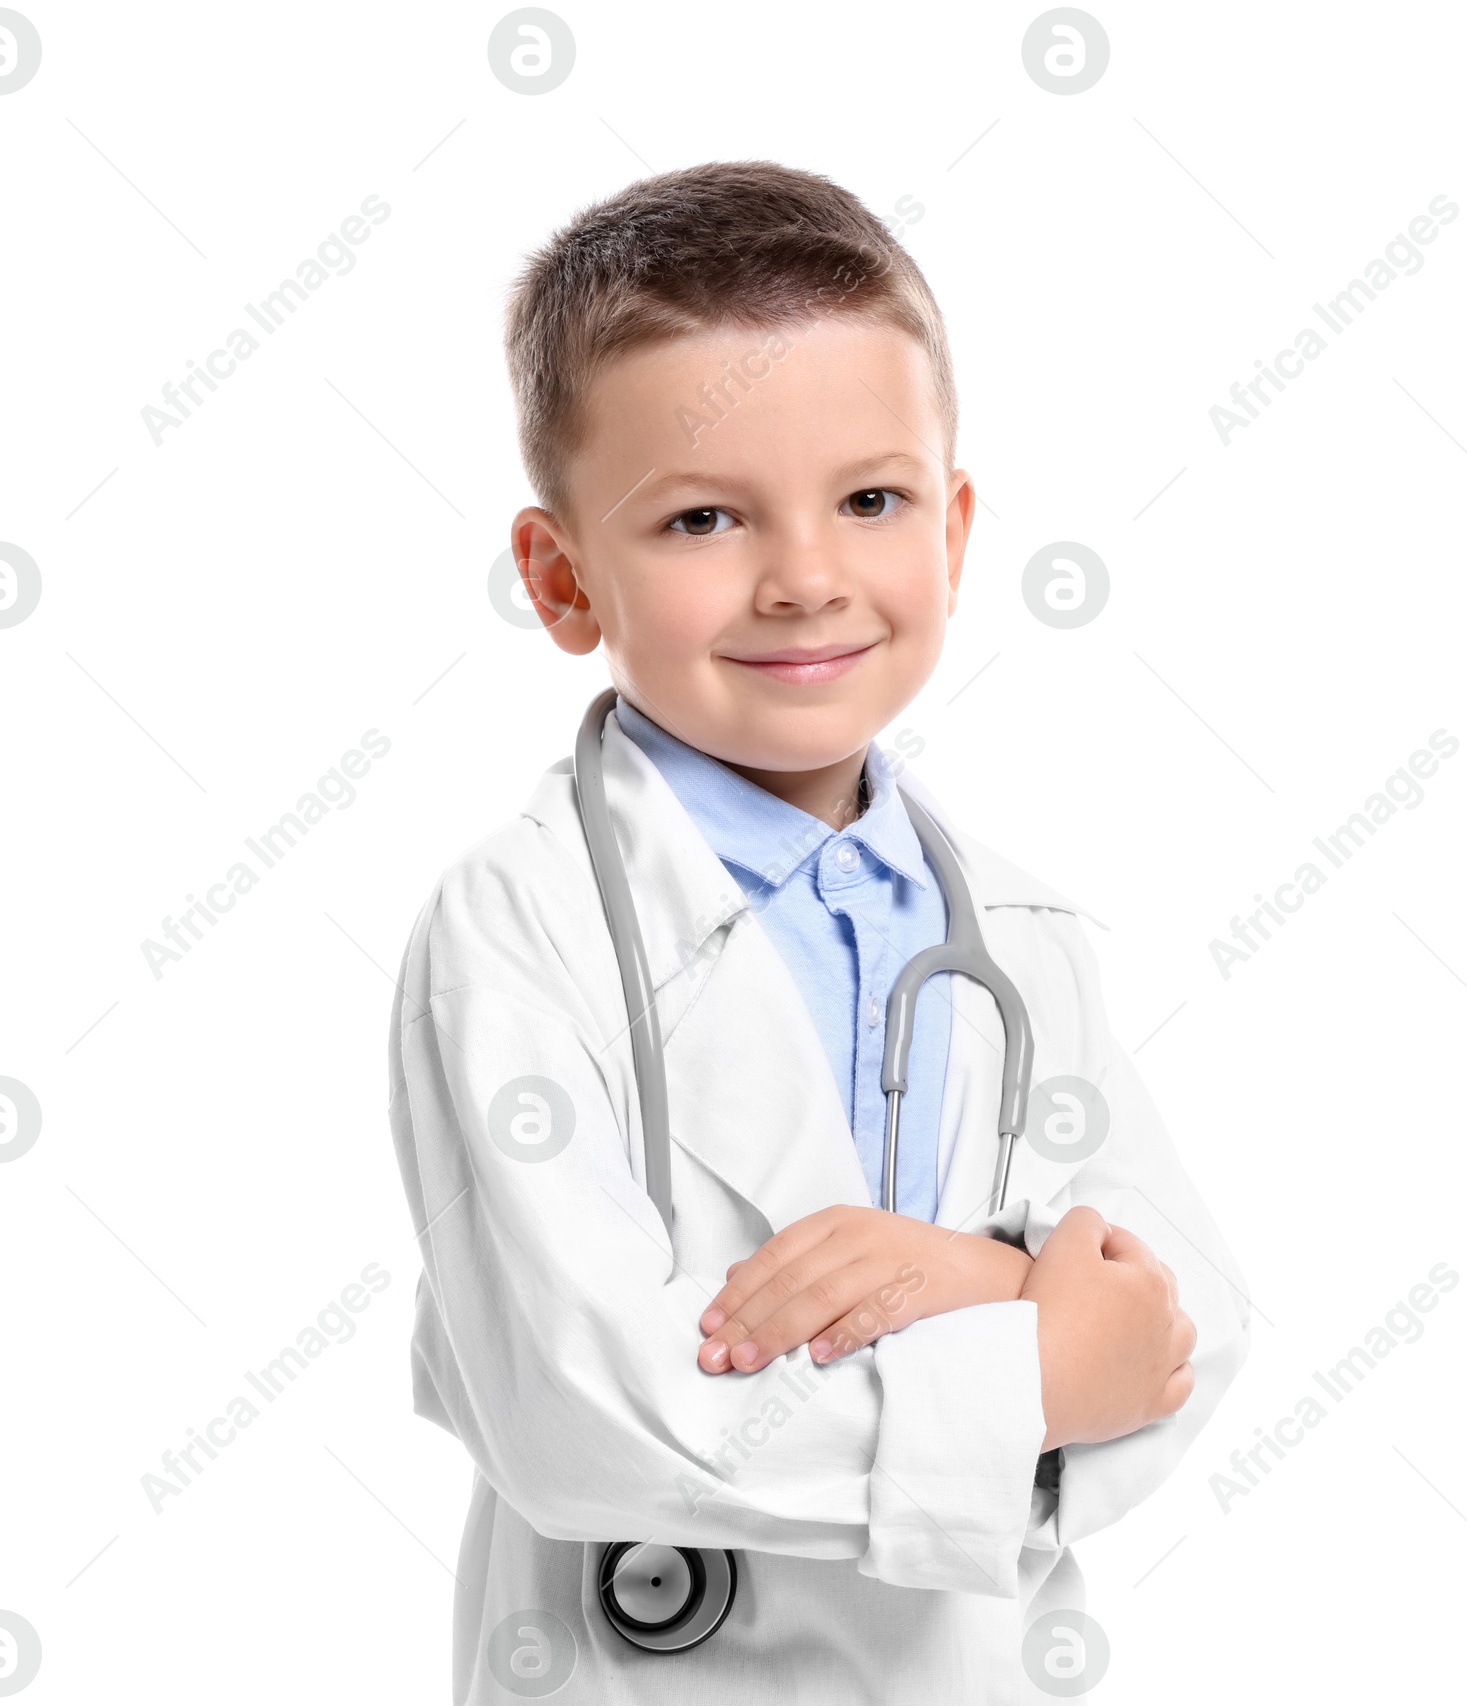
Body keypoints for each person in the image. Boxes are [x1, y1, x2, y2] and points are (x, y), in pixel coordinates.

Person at [388, 160, 1250, 1704]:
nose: (804, 580)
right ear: (563, 575)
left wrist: (968, 1274)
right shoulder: (515, 927)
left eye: (871, 499)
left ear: (957, 528)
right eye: (705, 517)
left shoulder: (1021, 930)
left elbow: (1188, 1319)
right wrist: (1034, 1353)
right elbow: (585, 1419)